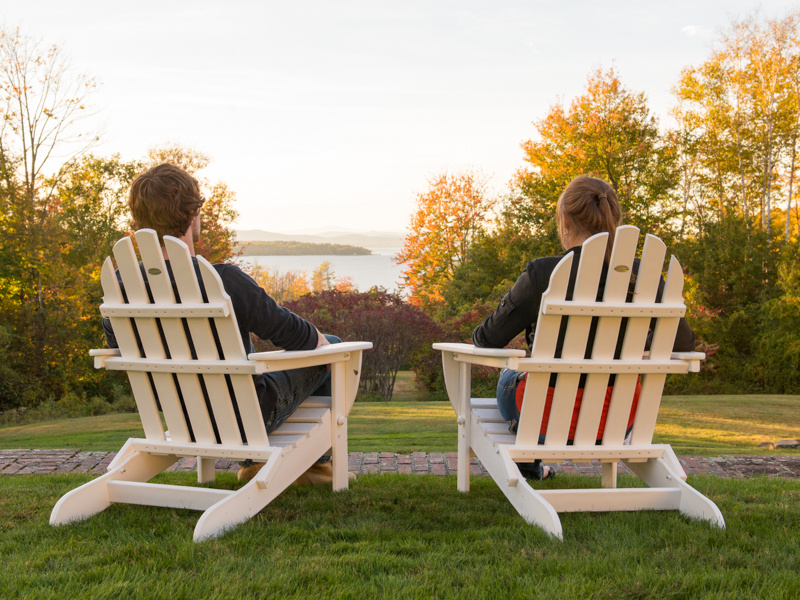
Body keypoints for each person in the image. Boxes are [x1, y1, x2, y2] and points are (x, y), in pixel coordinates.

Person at [103, 163, 342, 484]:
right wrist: (320, 342)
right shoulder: (222, 279)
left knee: (245, 356)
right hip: (246, 416)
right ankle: (317, 469)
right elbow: (287, 332)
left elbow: (119, 348)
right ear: (191, 215)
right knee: (335, 346)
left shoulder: (121, 285)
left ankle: (258, 464)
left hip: (181, 415)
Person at [472, 175, 695, 480]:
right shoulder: (646, 276)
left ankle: (528, 460)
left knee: (510, 375)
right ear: (613, 217)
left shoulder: (543, 273)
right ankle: (531, 465)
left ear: (564, 219)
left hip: (545, 418)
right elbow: (683, 346)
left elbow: (488, 340)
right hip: (619, 417)